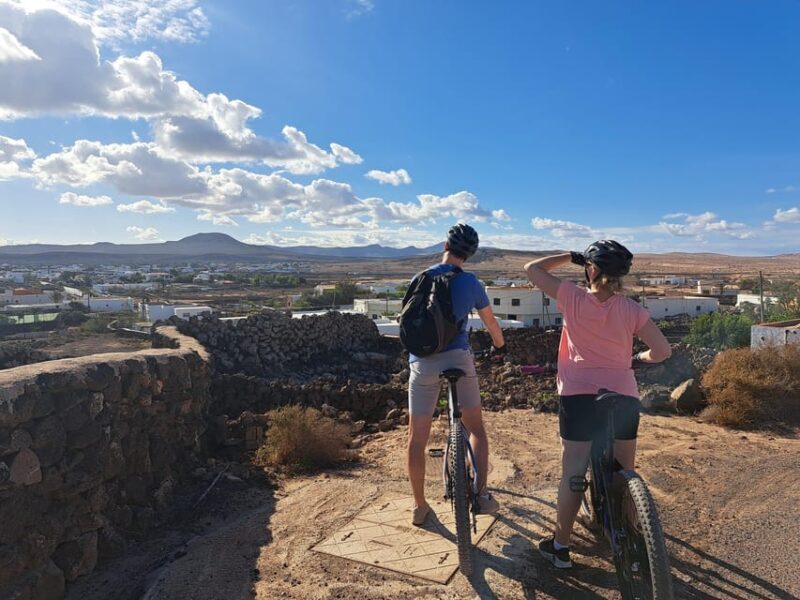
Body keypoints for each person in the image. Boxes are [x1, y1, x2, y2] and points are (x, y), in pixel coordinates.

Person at [523, 240, 671, 569]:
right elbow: (663, 352)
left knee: (574, 470)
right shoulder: (632, 309)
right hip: (623, 396)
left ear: (590, 270)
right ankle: (633, 547)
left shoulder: (572, 297)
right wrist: (637, 359)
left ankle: (560, 548)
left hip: (578, 395)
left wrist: (569, 257)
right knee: (625, 472)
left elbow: (531, 270)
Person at [406, 223, 507, 526]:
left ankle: (420, 506)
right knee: (475, 427)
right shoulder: (472, 283)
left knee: (417, 437)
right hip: (459, 359)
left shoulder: (420, 277)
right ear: (470, 255)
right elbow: (491, 323)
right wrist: (500, 347)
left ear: (444, 245)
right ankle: (482, 494)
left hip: (422, 362)